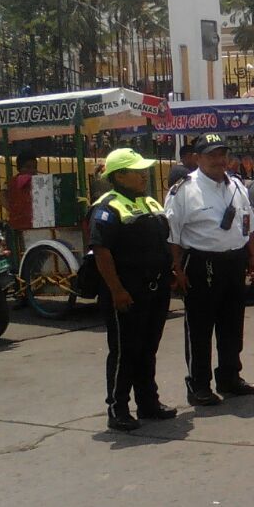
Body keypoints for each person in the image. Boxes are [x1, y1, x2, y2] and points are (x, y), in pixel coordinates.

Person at [165, 134, 254, 405]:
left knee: (232, 325)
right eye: (211, 155)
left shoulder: (236, 185)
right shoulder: (184, 189)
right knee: (200, 328)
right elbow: (172, 234)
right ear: (197, 158)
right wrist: (177, 269)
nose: (219, 161)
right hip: (200, 264)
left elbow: (247, 223)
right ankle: (198, 384)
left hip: (234, 262)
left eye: (222, 154)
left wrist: (252, 256)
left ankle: (230, 377)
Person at [87, 148, 176, 432]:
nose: (143, 175)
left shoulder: (149, 201)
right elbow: (101, 252)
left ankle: (148, 402)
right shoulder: (107, 207)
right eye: (137, 171)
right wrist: (117, 290)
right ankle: (118, 408)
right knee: (125, 352)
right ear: (119, 175)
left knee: (148, 349)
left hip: (156, 288)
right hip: (127, 291)